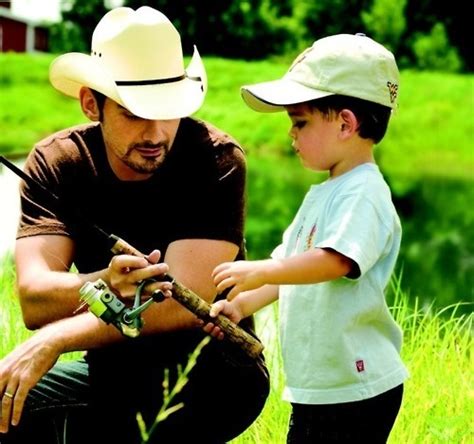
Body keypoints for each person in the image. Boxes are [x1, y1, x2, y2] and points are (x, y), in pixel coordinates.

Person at [0, 6, 269, 444]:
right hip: (109, 371)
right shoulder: (57, 163)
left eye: (168, 111)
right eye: (134, 113)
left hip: (214, 375)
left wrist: (56, 340)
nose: (156, 133)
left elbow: (181, 302)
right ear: (92, 103)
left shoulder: (215, 160)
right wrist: (103, 283)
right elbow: (34, 299)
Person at [204, 33, 409, 443]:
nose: (290, 134)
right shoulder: (327, 192)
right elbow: (292, 269)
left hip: (355, 388)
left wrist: (261, 269)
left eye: (300, 122)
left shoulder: (364, 192)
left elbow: (334, 261)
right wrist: (244, 303)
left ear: (346, 123)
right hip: (321, 386)